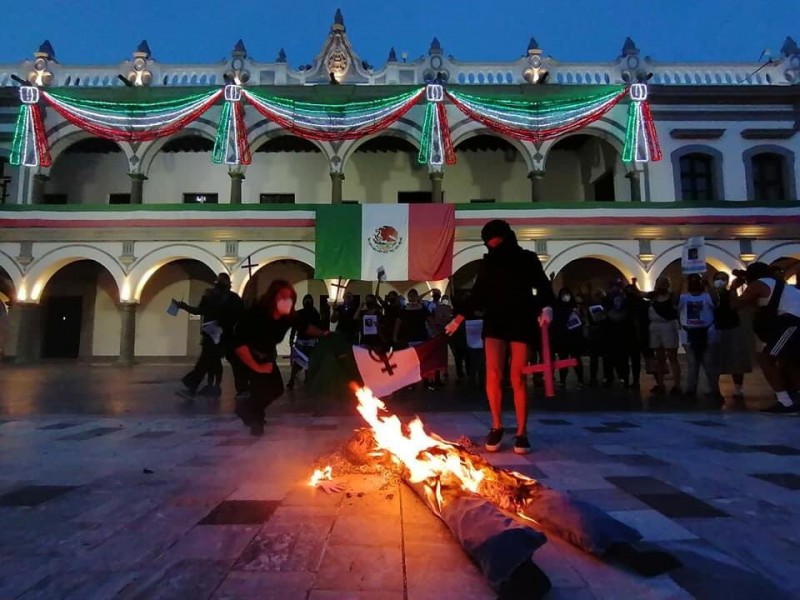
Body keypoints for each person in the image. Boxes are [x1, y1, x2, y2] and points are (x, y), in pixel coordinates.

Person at [446, 219, 554, 455]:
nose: (494, 246)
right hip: (495, 320)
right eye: (489, 243)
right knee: (493, 373)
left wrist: (546, 307)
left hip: (521, 319)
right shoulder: (488, 263)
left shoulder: (527, 258)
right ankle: (496, 426)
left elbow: (543, 285)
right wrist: (459, 318)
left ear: (507, 237)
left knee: (517, 376)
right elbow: (478, 294)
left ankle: (522, 432)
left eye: (497, 241)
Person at [233, 280, 329, 435]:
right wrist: (257, 367)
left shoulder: (288, 316)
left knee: (276, 388)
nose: (287, 300)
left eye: (290, 297)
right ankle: (254, 418)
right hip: (245, 354)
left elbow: (305, 326)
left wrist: (324, 333)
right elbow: (239, 345)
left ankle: (250, 409)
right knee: (260, 387)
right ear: (273, 297)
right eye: (282, 296)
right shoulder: (257, 313)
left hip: (266, 356)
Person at [729, 262, 800, 414]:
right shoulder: (780, 285)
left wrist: (734, 288)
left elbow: (735, 305)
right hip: (792, 322)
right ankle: (794, 396)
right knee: (789, 360)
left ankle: (785, 402)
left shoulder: (759, 285)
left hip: (793, 324)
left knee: (766, 358)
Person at [174, 273, 240, 400]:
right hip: (220, 336)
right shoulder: (231, 298)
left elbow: (199, 311)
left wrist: (183, 306)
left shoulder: (213, 297)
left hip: (215, 336)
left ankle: (196, 388)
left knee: (206, 363)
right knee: (209, 363)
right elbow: (238, 316)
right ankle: (207, 387)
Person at [679, 274, 722, 403]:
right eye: (692, 283)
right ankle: (690, 389)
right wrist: (681, 283)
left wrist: (708, 284)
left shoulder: (707, 297)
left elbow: (715, 300)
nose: (695, 285)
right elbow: (674, 301)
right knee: (692, 364)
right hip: (689, 333)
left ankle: (715, 390)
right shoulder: (683, 298)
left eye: (697, 283)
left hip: (707, 332)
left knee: (709, 364)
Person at [711, 272, 752, 409]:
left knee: (737, 359)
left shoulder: (731, 293)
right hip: (716, 329)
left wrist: (734, 289)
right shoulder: (711, 295)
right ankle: (714, 387)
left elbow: (735, 305)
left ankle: (738, 388)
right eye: (717, 279)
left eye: (723, 279)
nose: (720, 281)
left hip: (733, 328)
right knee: (715, 360)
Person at [648, 276, 682, 395]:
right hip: (655, 327)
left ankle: (677, 385)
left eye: (662, 283)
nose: (660, 285)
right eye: (658, 283)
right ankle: (660, 383)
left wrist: (682, 280)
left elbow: (678, 292)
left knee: (672, 356)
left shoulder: (672, 297)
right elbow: (639, 294)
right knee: (659, 357)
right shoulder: (653, 296)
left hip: (668, 325)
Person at [286, 294, 322, 391]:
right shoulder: (301, 313)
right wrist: (291, 338)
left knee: (308, 362)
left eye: (309, 300)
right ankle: (292, 380)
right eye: (307, 300)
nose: (308, 302)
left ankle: (306, 379)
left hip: (310, 340)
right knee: (298, 361)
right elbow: (294, 326)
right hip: (302, 340)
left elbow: (318, 327)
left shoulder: (315, 314)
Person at [552, 287, 585, 389]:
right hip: (563, 337)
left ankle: (580, 380)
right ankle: (562, 381)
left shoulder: (575, 307)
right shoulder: (557, 307)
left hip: (573, 337)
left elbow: (581, 321)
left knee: (576, 359)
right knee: (563, 360)